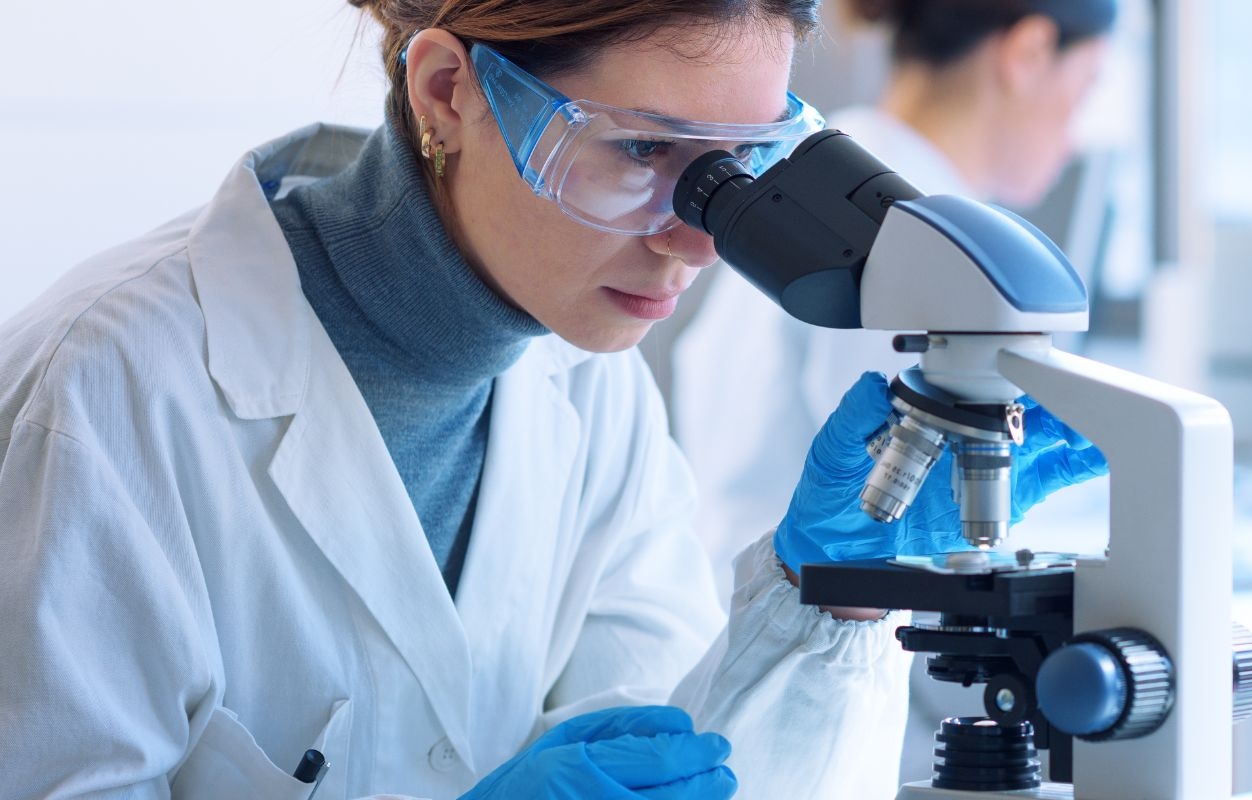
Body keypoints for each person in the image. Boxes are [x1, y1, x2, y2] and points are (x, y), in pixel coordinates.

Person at [0, 1, 1105, 798]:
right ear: (448, 92)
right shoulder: (110, 392)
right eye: (641, 150)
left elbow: (685, 764)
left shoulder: (590, 386)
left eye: (740, 166)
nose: (697, 242)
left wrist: (827, 606)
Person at [674, 0, 1117, 591]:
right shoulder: (911, 241)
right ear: (1029, 53)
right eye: (1085, 89)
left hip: (767, 602)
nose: (1075, 137)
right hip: (793, 610)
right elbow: (899, 515)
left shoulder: (841, 192)